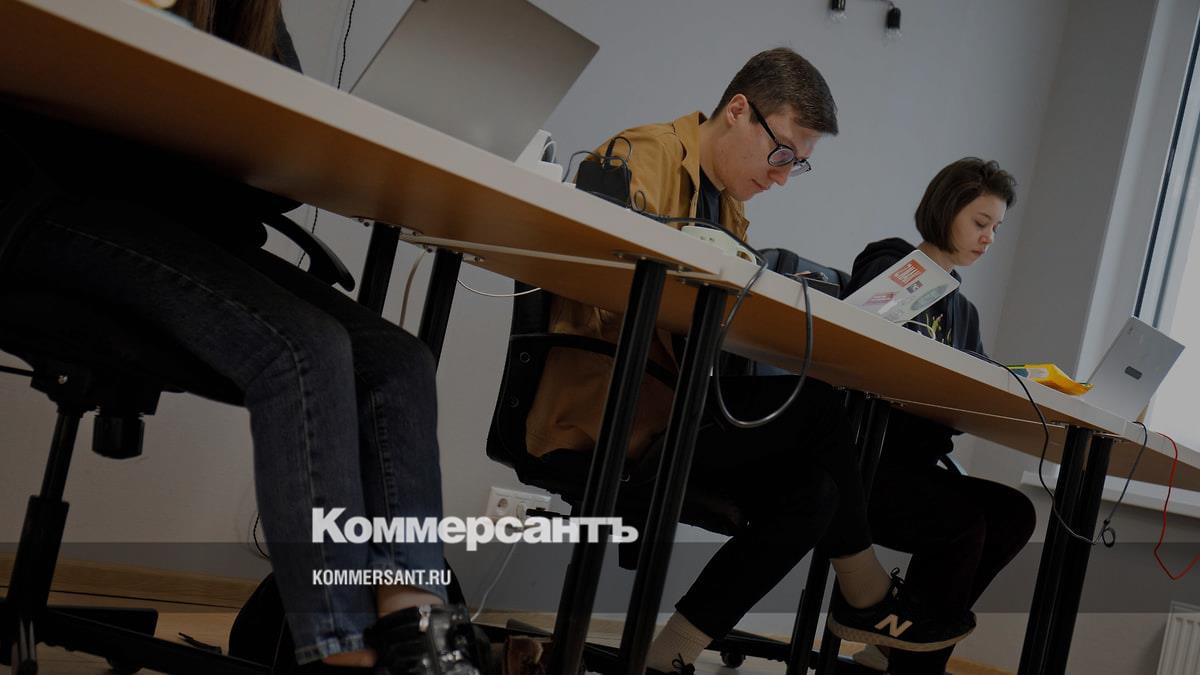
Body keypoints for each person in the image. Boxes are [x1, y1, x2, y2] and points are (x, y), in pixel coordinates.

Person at [0, 1, 483, 673]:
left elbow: (275, 156)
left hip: (182, 226)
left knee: (399, 362)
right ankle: (341, 652)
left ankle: (420, 634)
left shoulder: (247, 8)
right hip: (49, 203)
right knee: (302, 349)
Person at [523, 47, 975, 673]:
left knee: (815, 492)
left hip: (675, 404)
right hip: (612, 406)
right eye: (782, 153)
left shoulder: (727, 205)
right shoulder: (641, 155)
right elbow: (609, 280)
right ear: (738, 110)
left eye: (798, 165)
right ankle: (865, 594)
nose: (782, 177)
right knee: (816, 407)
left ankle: (666, 658)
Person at [843, 157, 1038, 674]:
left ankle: (894, 650)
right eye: (981, 222)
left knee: (1014, 514)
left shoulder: (964, 312)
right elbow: (861, 337)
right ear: (946, 209)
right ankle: (909, 662)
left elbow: (966, 393)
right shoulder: (891, 261)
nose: (989, 238)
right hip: (861, 461)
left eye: (997, 228)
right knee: (960, 523)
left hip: (916, 466)